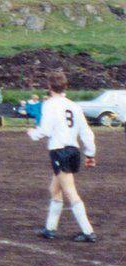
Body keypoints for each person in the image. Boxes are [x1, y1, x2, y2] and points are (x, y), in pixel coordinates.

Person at [29, 71, 96, 243]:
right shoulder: (74, 106)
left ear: (49, 86)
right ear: (65, 86)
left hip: (60, 151)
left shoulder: (50, 104)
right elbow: (86, 131)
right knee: (54, 189)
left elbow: (45, 130)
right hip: (73, 150)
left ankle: (88, 231)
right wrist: (90, 153)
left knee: (70, 191)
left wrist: (33, 133)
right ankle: (50, 229)